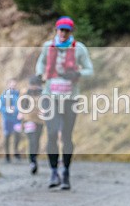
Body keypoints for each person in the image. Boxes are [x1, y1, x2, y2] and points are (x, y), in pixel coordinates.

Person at [34, 16, 93, 190]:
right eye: (61, 29)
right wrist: (39, 75)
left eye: (67, 30)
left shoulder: (79, 49)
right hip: (50, 97)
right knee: (52, 133)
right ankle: (53, 172)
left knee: (66, 136)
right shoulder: (48, 47)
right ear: (56, 30)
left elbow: (90, 69)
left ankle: (65, 171)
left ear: (71, 31)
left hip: (70, 98)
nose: (63, 33)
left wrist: (77, 74)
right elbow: (41, 63)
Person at [20, 75, 44, 174]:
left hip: (40, 120)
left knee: (37, 141)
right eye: (32, 85)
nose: (33, 87)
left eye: (35, 85)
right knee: (32, 140)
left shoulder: (43, 93)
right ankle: (32, 162)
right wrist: (21, 113)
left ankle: (34, 157)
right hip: (28, 119)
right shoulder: (25, 93)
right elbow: (21, 105)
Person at [0, 78, 22, 162]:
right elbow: (0, 108)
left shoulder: (19, 95)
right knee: (7, 136)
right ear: (8, 85)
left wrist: (20, 112)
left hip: (17, 119)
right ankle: (7, 155)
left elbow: (22, 105)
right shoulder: (4, 95)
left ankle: (16, 152)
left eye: (14, 84)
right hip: (7, 119)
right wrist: (8, 109)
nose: (13, 86)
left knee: (18, 136)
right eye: (11, 84)